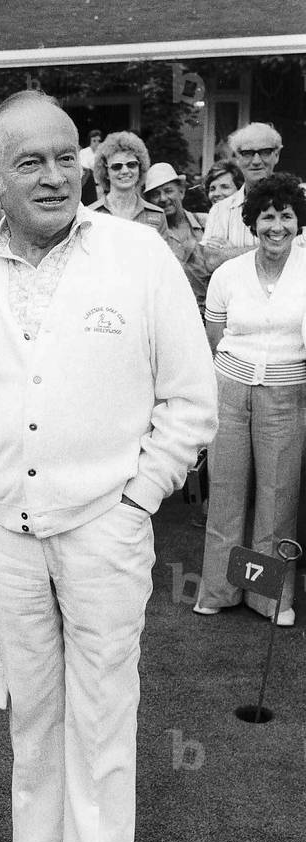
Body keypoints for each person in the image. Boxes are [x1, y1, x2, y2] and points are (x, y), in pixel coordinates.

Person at [0, 90, 217, 842]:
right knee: (31, 710)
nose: (53, 176)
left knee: (101, 717)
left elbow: (189, 400)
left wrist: (137, 501)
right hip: (2, 534)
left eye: (64, 158)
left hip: (104, 529)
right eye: (29, 162)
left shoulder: (136, 255)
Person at [194, 174, 306, 626]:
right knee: (225, 492)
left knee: (278, 498)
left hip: (287, 396)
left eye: (286, 216)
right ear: (252, 222)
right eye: (267, 217)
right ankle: (219, 591)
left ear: (298, 222)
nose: (276, 227)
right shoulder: (228, 274)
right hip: (231, 392)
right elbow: (214, 334)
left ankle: (268, 598)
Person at [201, 122, 282, 270]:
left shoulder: (297, 203)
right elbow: (212, 261)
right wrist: (276, 248)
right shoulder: (220, 210)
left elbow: (300, 255)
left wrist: (229, 253)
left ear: (276, 155)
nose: (256, 161)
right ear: (237, 158)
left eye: (265, 152)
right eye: (247, 153)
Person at [144, 162, 209, 314]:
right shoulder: (150, 235)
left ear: (181, 192)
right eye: (155, 194)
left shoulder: (206, 223)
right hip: (170, 315)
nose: (163, 198)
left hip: (209, 313)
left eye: (168, 191)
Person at [90, 131, 168, 238]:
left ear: (140, 168)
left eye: (132, 164)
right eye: (116, 166)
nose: (125, 171)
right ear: (106, 172)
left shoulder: (157, 216)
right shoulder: (91, 214)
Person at [79, 128, 103, 205]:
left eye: (99, 141)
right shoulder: (83, 152)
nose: (97, 143)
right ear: (90, 141)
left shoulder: (103, 153)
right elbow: (86, 169)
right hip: (88, 186)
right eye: (94, 141)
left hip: (101, 187)